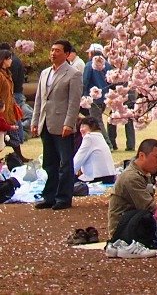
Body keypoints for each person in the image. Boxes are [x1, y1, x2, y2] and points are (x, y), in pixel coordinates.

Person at [30, 39, 83, 210]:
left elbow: (74, 102)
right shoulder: (45, 73)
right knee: (49, 162)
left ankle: (63, 197)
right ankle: (49, 196)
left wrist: (69, 123)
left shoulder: (73, 74)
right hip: (46, 122)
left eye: (58, 50)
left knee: (65, 162)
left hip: (62, 124)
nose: (53, 53)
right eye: (52, 50)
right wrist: (35, 121)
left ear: (67, 54)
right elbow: (39, 100)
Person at [108, 137, 157, 246]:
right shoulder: (131, 177)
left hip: (133, 225)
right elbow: (149, 208)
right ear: (142, 156)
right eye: (156, 157)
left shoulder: (144, 173)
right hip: (123, 232)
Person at [81, 45, 112, 147]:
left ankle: (107, 144)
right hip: (105, 97)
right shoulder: (107, 65)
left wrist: (82, 95)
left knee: (97, 120)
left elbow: (85, 82)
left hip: (93, 97)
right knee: (98, 119)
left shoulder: (89, 65)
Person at [73, 116, 117, 183]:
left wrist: (67, 173)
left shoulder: (89, 137)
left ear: (92, 126)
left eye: (83, 126)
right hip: (110, 176)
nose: (81, 129)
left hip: (98, 178)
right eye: (80, 127)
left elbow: (78, 159)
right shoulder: (99, 136)